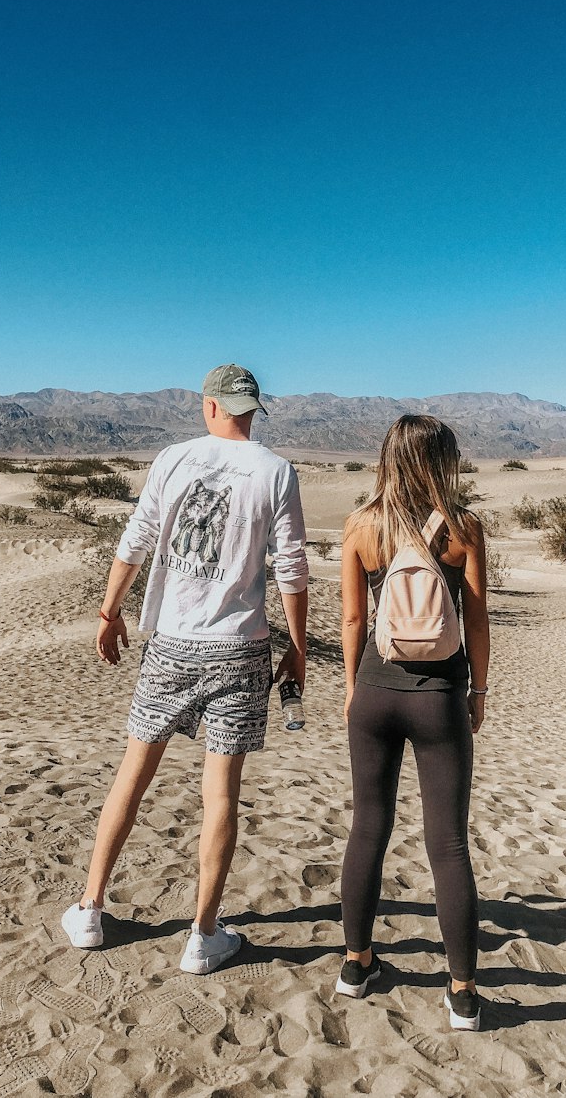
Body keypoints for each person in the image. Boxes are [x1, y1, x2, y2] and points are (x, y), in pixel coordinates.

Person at [61, 364, 309, 974]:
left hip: (171, 643)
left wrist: (110, 609)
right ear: (250, 409)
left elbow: (136, 537)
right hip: (239, 647)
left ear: (209, 406)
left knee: (133, 772)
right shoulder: (276, 472)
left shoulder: (173, 458)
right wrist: (298, 647)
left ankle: (91, 908)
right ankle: (202, 935)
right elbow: (292, 568)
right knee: (221, 792)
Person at [337, 415, 489, 1030]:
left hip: (375, 691)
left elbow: (351, 621)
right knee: (449, 843)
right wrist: (479, 689)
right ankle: (462, 995)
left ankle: (356, 965)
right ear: (443, 461)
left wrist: (352, 689)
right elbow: (476, 619)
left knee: (368, 826)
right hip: (440, 696)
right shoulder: (463, 528)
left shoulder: (361, 525)